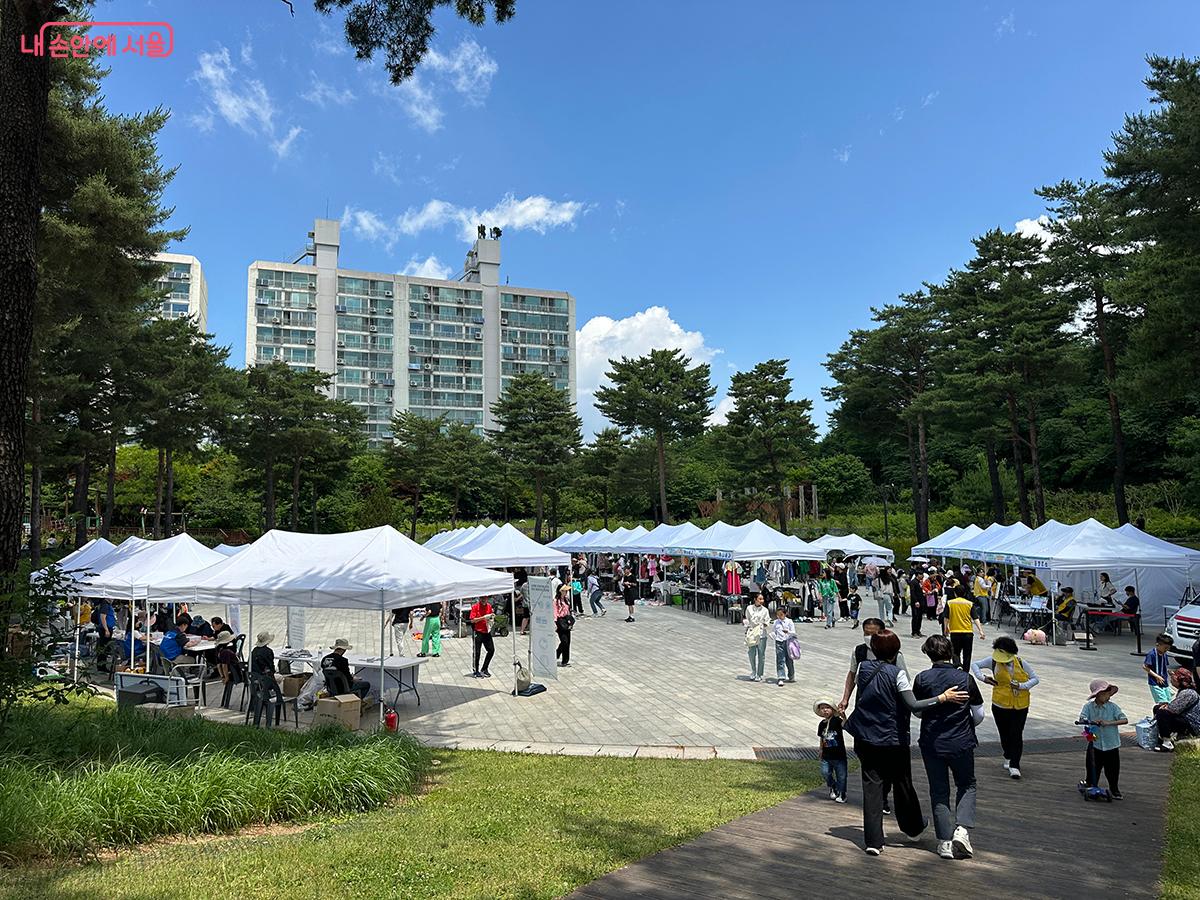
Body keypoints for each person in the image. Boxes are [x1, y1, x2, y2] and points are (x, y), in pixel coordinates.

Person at [844, 630, 969, 855]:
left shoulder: (863, 668)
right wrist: (943, 698)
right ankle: (913, 828)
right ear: (896, 651)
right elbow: (913, 705)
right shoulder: (897, 674)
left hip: (864, 736)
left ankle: (873, 842)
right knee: (902, 783)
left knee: (872, 786)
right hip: (891, 738)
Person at [913, 634, 985, 860]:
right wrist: (964, 724)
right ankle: (962, 829)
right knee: (967, 784)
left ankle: (944, 842)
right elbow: (979, 713)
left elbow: (917, 710)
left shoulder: (922, 678)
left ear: (928, 653)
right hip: (961, 741)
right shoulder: (965, 678)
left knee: (939, 790)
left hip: (932, 742)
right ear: (950, 651)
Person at [971, 636, 1039, 779]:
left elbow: (1035, 679)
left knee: (1016, 733)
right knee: (1004, 733)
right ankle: (1008, 754)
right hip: (1000, 704)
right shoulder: (993, 661)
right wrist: (983, 678)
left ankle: (1015, 765)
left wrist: (1021, 686)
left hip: (1020, 705)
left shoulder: (1021, 662)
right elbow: (975, 665)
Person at [1079, 679, 1127, 799]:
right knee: (1092, 766)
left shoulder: (1113, 707)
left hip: (1111, 744)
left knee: (1112, 769)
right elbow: (1082, 718)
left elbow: (1124, 719)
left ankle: (1114, 788)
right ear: (1097, 695)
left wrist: (1109, 723)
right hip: (1095, 743)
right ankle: (1090, 783)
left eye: (1108, 694)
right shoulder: (1089, 707)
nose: (1107, 696)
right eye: (1105, 693)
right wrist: (1091, 722)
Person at [1153, 668, 1200, 750]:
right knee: (1157, 708)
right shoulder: (1184, 691)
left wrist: (1165, 707)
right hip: (1186, 720)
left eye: (1173, 679)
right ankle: (1164, 736)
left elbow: (1173, 709)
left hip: (1193, 725)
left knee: (1162, 713)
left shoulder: (1187, 693)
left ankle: (1167, 743)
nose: (1171, 681)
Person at [943, 587, 985, 671]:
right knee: (967, 654)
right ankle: (966, 672)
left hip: (955, 632)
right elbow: (975, 618)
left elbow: (946, 617)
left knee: (955, 652)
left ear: (955, 593)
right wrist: (980, 631)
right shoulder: (969, 604)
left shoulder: (950, 603)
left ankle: (957, 666)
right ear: (965, 593)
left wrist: (946, 628)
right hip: (968, 633)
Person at [815, 700, 848, 803]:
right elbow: (822, 737)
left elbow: (845, 724)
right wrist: (820, 749)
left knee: (841, 776)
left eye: (827, 707)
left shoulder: (837, 720)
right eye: (822, 708)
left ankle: (842, 793)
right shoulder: (822, 724)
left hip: (839, 755)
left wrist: (844, 716)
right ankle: (833, 786)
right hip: (826, 755)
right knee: (825, 772)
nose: (825, 710)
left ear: (833, 710)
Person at [250, 632, 285, 727]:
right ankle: (275, 697)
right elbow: (271, 669)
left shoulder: (254, 651)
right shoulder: (268, 651)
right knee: (281, 678)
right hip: (265, 680)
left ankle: (265, 698)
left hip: (255, 679)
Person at [744, 592, 771, 682]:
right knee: (751, 653)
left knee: (761, 654)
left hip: (761, 633)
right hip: (752, 633)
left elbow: (767, 621)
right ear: (755, 599)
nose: (761, 601)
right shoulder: (749, 608)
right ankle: (753, 671)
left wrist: (764, 624)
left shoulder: (765, 610)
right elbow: (747, 619)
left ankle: (759, 674)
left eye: (762, 599)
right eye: (760, 599)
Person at [1144, 634, 1176, 704]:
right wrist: (1156, 676)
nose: (1166, 650)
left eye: (1168, 648)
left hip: (1164, 681)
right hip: (1154, 682)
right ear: (1157, 645)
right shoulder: (1151, 654)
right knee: (1163, 702)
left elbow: (1164, 666)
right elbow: (1145, 667)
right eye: (1165, 648)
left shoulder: (1164, 654)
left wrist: (1169, 672)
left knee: (1169, 700)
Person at [215, 631, 244, 708]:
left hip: (230, 673)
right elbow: (224, 666)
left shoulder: (218, 651)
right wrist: (226, 677)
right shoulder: (226, 652)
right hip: (236, 674)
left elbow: (218, 665)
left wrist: (222, 676)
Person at [469, 596, 495, 678]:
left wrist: (491, 618)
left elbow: (490, 616)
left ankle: (484, 668)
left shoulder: (489, 606)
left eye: (485, 599)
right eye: (482, 599)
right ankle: (476, 670)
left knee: (491, 650)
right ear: (479, 599)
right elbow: (472, 620)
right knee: (477, 652)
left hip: (486, 631)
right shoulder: (475, 607)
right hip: (478, 631)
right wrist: (483, 618)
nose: (483, 600)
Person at [771, 605, 797, 686]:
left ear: (785, 614)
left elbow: (794, 633)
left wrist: (788, 631)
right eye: (778, 615)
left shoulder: (789, 621)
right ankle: (781, 677)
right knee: (780, 659)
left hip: (788, 642)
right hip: (779, 642)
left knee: (789, 660)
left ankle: (791, 675)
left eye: (781, 614)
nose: (779, 616)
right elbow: (773, 631)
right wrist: (773, 636)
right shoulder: (776, 622)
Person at [555, 584, 574, 667]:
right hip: (560, 622)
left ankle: (565, 660)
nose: (566, 592)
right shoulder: (556, 601)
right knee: (564, 641)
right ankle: (558, 653)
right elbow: (555, 612)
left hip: (567, 621)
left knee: (567, 642)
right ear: (560, 591)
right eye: (564, 590)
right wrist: (555, 623)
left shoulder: (566, 599)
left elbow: (568, 611)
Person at [909, 570, 926, 637]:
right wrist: (916, 601)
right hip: (916, 602)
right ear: (917, 575)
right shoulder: (913, 582)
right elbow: (912, 592)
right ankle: (914, 632)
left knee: (919, 618)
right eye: (921, 574)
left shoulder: (920, 582)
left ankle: (918, 631)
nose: (922, 576)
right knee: (915, 617)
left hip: (921, 601)